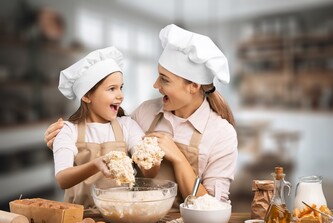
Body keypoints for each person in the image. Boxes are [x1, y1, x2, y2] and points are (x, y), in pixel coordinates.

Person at [45, 24, 238, 208]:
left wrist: (178, 159)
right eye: (158, 76)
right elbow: (109, 132)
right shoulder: (146, 112)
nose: (155, 85)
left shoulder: (221, 133)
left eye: (164, 79)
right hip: (136, 220)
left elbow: (214, 208)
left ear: (194, 86)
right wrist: (62, 140)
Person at [52, 46, 144, 208]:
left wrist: (149, 156)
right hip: (79, 217)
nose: (121, 95)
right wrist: (95, 164)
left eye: (121, 87)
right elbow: (62, 179)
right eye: (111, 89)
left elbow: (147, 164)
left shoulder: (127, 126)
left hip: (121, 215)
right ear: (87, 96)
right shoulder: (69, 130)